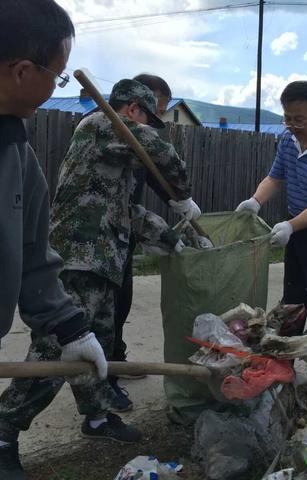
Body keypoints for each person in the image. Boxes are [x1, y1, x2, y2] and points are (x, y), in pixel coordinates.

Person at [0, 1, 108, 478]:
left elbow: (33, 256)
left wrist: (70, 329)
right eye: (56, 76)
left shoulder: (18, 156)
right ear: (23, 70)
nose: (55, 87)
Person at [236, 80, 307, 395]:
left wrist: (289, 227)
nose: (292, 125)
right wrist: (256, 201)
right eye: (287, 117)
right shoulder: (288, 140)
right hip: (298, 225)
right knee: (293, 301)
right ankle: (283, 369)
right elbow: (275, 176)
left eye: (299, 118)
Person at [106, 74, 200, 412]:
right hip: (100, 241)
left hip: (122, 230)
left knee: (121, 301)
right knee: (106, 311)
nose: (156, 120)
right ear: (137, 105)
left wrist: (177, 204)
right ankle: (104, 386)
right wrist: (182, 196)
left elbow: (150, 179)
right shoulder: (107, 127)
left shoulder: (128, 132)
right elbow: (161, 158)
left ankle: (114, 362)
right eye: (154, 111)